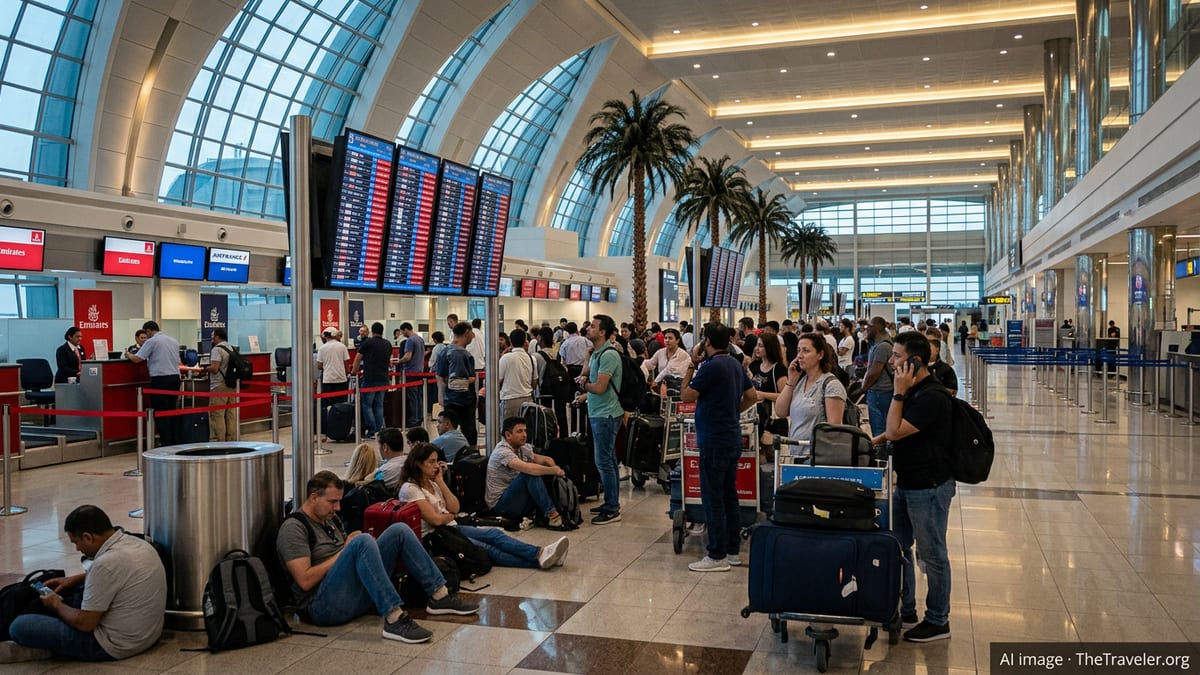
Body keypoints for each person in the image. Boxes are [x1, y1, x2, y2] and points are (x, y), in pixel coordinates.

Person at [276, 471, 477, 644]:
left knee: (399, 530)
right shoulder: (294, 528)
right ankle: (394, 617)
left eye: (338, 501)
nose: (337, 508)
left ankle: (439, 595)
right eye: (332, 502)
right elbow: (304, 580)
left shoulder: (329, 519)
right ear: (313, 498)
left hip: (350, 593)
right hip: (321, 606)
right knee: (362, 541)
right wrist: (346, 551)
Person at [868, 332, 955, 643]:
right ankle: (906, 609)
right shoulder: (917, 390)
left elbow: (893, 429)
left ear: (914, 362)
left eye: (897, 357)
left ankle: (938, 620)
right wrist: (868, 441)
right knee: (899, 546)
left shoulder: (931, 396)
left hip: (929, 488)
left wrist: (898, 393)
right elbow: (891, 435)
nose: (891, 362)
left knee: (933, 555)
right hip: (907, 483)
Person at [1, 505, 166, 663]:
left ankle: (44, 650)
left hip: (112, 645)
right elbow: (120, 574)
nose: (77, 549)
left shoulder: (105, 564)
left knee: (20, 626)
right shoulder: (137, 544)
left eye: (76, 542)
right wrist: (75, 579)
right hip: (148, 635)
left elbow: (85, 623)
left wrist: (55, 604)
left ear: (88, 537)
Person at [401, 442, 569, 568]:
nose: (436, 466)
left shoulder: (434, 484)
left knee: (494, 535)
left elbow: (455, 508)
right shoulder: (411, 489)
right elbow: (436, 520)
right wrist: (449, 516)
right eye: (431, 462)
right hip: (436, 536)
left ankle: (540, 553)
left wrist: (440, 481)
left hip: (450, 528)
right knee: (487, 549)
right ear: (418, 464)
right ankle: (540, 559)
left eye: (437, 461)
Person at [681, 324, 757, 572]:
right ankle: (732, 551)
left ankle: (716, 555)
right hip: (731, 436)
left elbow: (686, 396)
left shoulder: (711, 366)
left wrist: (691, 367)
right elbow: (752, 396)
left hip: (713, 439)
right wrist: (733, 412)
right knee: (728, 495)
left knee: (713, 498)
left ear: (708, 342)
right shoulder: (735, 363)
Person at [576, 314, 623, 525]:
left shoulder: (609, 355)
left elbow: (600, 387)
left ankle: (612, 508)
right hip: (599, 412)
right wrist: (588, 358)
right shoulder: (597, 353)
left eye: (593, 327)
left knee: (604, 462)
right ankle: (610, 502)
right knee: (608, 460)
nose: (588, 329)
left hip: (606, 414)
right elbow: (585, 374)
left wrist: (584, 386)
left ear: (603, 332)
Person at [485, 417, 564, 527]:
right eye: (519, 431)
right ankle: (552, 514)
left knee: (540, 472)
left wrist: (555, 468)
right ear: (508, 435)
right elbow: (530, 469)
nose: (524, 435)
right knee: (530, 474)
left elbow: (546, 460)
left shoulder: (523, 447)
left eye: (525, 431)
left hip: (516, 499)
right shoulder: (502, 451)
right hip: (500, 505)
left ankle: (555, 510)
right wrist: (552, 470)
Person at [775, 333, 847, 447]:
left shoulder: (831, 385)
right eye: (798, 350)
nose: (800, 355)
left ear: (820, 354)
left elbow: (834, 429)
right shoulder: (800, 383)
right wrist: (791, 382)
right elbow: (780, 412)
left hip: (818, 456)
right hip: (797, 453)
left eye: (806, 351)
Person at [125, 321, 182, 446]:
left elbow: (137, 359)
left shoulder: (152, 341)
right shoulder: (173, 340)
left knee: (161, 413)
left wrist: (128, 354)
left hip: (161, 380)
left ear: (149, 330)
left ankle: (166, 442)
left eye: (146, 333)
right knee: (172, 410)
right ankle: (174, 441)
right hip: (175, 378)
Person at [435, 321, 479, 449]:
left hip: (449, 399)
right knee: (469, 431)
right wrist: (471, 379)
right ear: (466, 332)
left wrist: (441, 395)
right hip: (464, 400)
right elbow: (458, 382)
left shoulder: (443, 351)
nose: (473, 336)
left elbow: (440, 376)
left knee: (448, 429)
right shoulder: (461, 354)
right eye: (472, 333)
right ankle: (471, 458)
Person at [351, 322, 391, 438]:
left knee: (367, 405)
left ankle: (372, 430)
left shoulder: (367, 342)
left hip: (370, 378)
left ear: (371, 331)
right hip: (383, 378)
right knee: (379, 405)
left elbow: (358, 359)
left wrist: (354, 371)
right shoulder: (387, 344)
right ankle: (379, 429)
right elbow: (389, 361)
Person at [747, 333, 789, 441]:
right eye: (757, 345)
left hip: (773, 420)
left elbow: (785, 396)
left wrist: (763, 395)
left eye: (761, 346)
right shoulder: (754, 366)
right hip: (756, 417)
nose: (757, 348)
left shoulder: (778, 369)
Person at [860, 317, 894, 437]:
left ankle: (881, 454)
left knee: (879, 429)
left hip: (880, 393)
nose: (866, 329)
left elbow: (875, 371)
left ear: (875, 328)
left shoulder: (882, 346)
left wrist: (863, 387)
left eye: (868, 327)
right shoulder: (881, 344)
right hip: (881, 392)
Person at [205, 328, 239, 441]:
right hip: (231, 385)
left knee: (217, 415)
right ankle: (231, 441)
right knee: (230, 415)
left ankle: (219, 442)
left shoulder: (217, 350)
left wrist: (203, 369)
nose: (212, 339)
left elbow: (214, 368)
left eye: (212, 336)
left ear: (218, 337)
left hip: (218, 385)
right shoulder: (231, 348)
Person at [316, 327, 350, 434]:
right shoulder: (342, 346)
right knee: (341, 406)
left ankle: (326, 430)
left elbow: (319, 365)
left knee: (326, 406)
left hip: (327, 380)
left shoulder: (322, 348)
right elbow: (346, 363)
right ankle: (340, 429)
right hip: (341, 379)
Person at [497, 328, 537, 420]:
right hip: (528, 400)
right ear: (525, 341)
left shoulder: (506, 358)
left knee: (509, 430)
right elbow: (534, 383)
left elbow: (497, 380)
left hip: (509, 400)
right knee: (525, 430)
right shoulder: (532, 358)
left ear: (510, 341)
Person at [396, 323, 426, 427]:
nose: (402, 334)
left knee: (412, 397)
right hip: (420, 371)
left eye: (402, 331)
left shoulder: (410, 340)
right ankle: (420, 417)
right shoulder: (420, 339)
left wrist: (398, 362)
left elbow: (407, 357)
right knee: (418, 396)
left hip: (410, 372)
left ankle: (413, 420)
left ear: (405, 329)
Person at [647, 328, 691, 396]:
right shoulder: (660, 352)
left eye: (670, 338)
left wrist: (656, 381)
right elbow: (650, 364)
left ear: (677, 340)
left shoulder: (683, 355)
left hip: (677, 389)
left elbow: (668, 370)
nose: (667, 340)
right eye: (665, 338)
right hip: (662, 387)